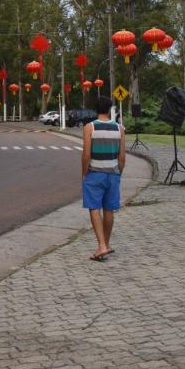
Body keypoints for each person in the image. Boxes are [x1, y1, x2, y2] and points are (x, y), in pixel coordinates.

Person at [80, 96, 126, 262]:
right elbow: (122, 156)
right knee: (109, 210)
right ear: (108, 109)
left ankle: (101, 246)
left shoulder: (89, 127)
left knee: (94, 208)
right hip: (113, 174)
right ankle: (105, 244)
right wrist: (118, 172)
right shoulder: (119, 128)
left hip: (94, 173)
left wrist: (84, 173)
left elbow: (86, 154)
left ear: (95, 109)